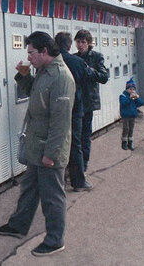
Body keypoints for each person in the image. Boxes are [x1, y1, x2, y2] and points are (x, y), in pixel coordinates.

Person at [0, 31, 75, 257]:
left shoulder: (60, 77)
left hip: (49, 148)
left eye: (31, 53)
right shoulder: (44, 71)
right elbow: (35, 95)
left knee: (52, 196)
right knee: (29, 189)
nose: (28, 57)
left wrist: (51, 153)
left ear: (45, 52)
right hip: (36, 145)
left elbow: (61, 122)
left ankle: (55, 239)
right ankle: (18, 225)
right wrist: (23, 76)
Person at [54, 32, 92, 192]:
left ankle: (58, 180)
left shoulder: (51, 62)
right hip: (75, 108)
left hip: (56, 109)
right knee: (75, 143)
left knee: (57, 142)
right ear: (70, 45)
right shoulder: (78, 62)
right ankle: (78, 181)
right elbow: (87, 82)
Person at [74, 29, 109, 172]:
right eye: (78, 42)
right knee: (76, 135)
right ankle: (76, 165)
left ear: (89, 43)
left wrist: (88, 70)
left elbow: (104, 77)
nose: (80, 45)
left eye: (83, 42)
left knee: (85, 135)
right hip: (75, 101)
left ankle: (84, 164)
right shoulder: (74, 57)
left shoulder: (96, 57)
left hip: (88, 101)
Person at [119, 78, 144, 150]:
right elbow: (124, 103)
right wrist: (130, 98)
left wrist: (137, 98)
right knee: (126, 128)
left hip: (132, 115)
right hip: (126, 115)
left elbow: (140, 103)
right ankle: (124, 142)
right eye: (130, 89)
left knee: (131, 129)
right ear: (127, 89)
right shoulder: (123, 96)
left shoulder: (134, 96)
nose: (132, 91)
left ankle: (130, 142)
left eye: (133, 89)